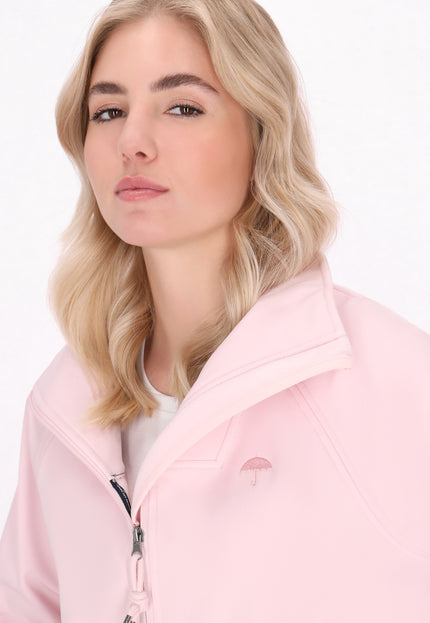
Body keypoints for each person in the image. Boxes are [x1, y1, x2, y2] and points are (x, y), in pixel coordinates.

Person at [0, 0, 429, 621]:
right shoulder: (63, 409)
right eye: (108, 111)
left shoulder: (394, 380)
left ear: (262, 132)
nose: (132, 143)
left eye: (182, 108)